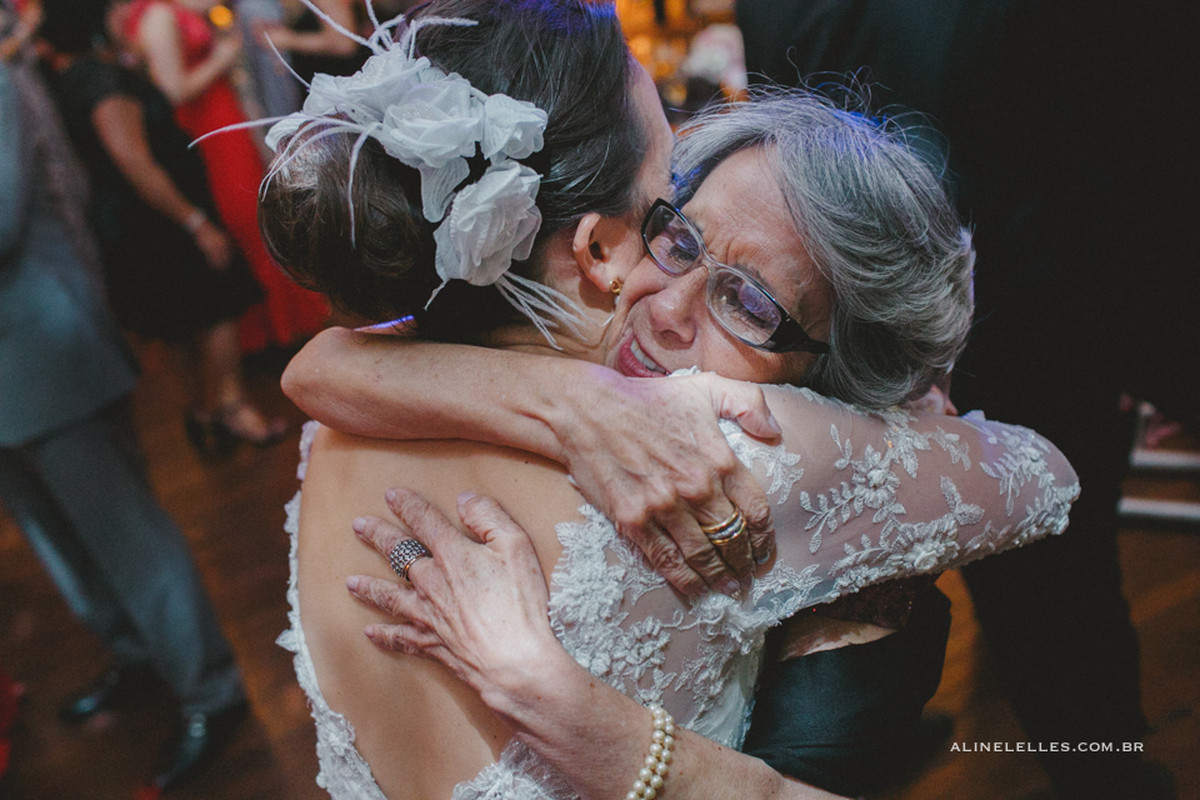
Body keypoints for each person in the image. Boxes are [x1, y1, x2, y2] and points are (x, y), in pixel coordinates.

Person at [259, 3, 1078, 797]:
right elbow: (1041, 475)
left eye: (749, 302)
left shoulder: (337, 431)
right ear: (602, 244)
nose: (669, 304)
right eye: (675, 228)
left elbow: (320, 366)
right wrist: (907, 434)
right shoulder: (724, 445)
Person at [733, 2, 1193, 795]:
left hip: (884, 339)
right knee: (1053, 595)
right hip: (1010, 336)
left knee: (892, 588)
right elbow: (1130, 152)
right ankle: (1097, 767)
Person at [0, 43, 246, 795]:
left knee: (125, 533)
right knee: (58, 539)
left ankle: (214, 691)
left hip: (45, 352)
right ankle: (137, 655)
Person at [39, 0, 286, 459]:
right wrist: (194, 221)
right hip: (158, 219)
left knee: (187, 320)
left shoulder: (77, 74)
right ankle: (230, 409)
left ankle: (207, 414)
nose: (122, 19)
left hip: (141, 220)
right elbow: (133, 159)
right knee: (215, 306)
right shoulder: (102, 79)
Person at [121, 0, 329, 364]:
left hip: (225, 120)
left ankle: (284, 330)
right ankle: (265, 339)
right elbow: (171, 89)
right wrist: (223, 57)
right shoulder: (159, 16)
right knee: (246, 223)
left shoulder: (180, 10)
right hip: (207, 130)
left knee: (260, 218)